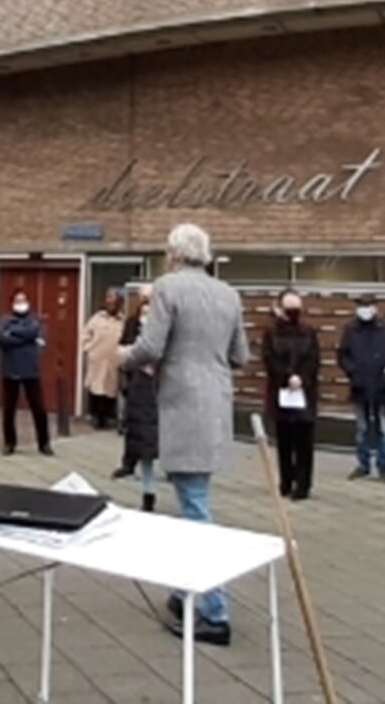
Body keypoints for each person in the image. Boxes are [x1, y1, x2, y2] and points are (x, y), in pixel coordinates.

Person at [119, 223, 249, 648]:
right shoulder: (228, 293)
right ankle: (182, 590)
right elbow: (240, 356)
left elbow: (150, 347)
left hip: (183, 404)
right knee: (194, 497)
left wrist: (123, 356)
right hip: (216, 404)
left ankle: (215, 613)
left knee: (194, 509)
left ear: (173, 253)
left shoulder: (168, 288)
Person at [262, 290, 321, 502]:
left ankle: (303, 485)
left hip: (304, 394)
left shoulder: (308, 331)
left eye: (297, 307)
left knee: (304, 442)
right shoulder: (271, 332)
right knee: (284, 441)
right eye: (289, 308)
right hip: (281, 392)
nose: (294, 312)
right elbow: (269, 359)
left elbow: (314, 359)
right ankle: (286, 481)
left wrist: (301, 379)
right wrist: (287, 377)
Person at [337, 295, 385, 483]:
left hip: (382, 386)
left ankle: (383, 467)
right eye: (361, 306)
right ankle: (363, 465)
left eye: (368, 306)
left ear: (375, 308)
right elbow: (343, 356)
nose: (364, 309)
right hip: (360, 386)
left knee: (383, 429)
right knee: (362, 428)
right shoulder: (351, 330)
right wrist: (353, 373)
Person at [115, 312, 160, 509]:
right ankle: (148, 491)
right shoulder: (134, 329)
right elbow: (124, 357)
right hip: (141, 393)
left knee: (153, 442)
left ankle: (153, 488)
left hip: (160, 393)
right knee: (144, 444)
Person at [0, 291, 51, 456]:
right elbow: (1, 339)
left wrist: (14, 333)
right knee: (9, 409)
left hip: (30, 371)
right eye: (17, 300)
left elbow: (36, 332)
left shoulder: (35, 320)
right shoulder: (4, 320)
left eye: (23, 300)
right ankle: (9, 443)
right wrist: (27, 338)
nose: (21, 302)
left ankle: (44, 443)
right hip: (10, 370)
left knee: (39, 409)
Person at [80, 291, 125, 430]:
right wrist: (88, 349)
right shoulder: (97, 318)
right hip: (97, 359)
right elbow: (85, 334)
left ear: (119, 303)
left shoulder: (122, 320)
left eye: (114, 300)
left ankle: (107, 418)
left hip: (113, 361)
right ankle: (95, 417)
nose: (111, 302)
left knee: (110, 389)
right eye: (108, 299)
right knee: (96, 387)